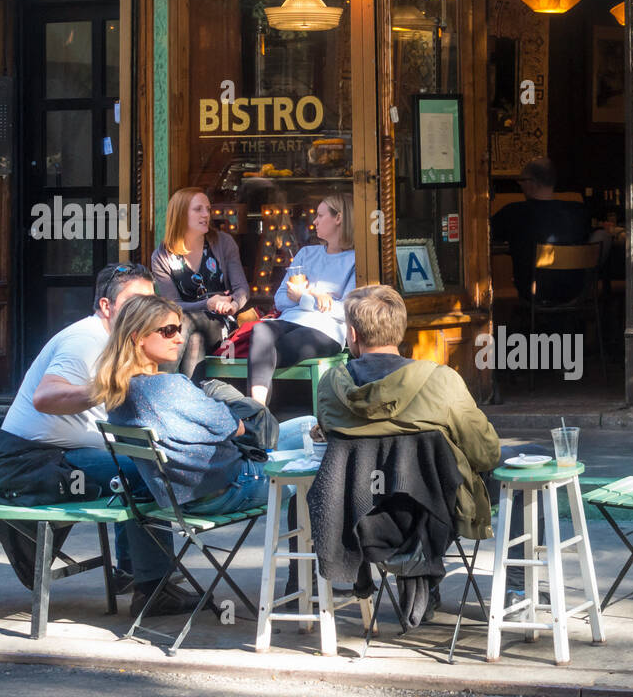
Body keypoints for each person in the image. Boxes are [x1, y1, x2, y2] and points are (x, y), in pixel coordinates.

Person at [316, 285, 548, 603]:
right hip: (436, 510)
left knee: (432, 472)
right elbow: (486, 453)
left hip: (362, 511)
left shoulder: (330, 385)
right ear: (400, 330)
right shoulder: (439, 379)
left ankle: (429, 580)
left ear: (353, 335)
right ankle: (519, 590)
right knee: (532, 461)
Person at [0, 263, 172, 603]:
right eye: (135, 301)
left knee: (141, 461)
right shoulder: (87, 340)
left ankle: (132, 571)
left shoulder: (120, 340)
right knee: (147, 471)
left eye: (151, 300)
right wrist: (107, 388)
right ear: (106, 306)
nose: (147, 309)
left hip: (56, 455)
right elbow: (46, 397)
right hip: (30, 463)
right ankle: (156, 590)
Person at [92, 294, 276, 616]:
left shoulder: (117, 393)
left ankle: (152, 589)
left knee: (297, 431)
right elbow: (236, 428)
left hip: (172, 495)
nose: (179, 336)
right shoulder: (169, 386)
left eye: (178, 328)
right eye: (167, 331)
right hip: (225, 490)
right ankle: (307, 588)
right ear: (137, 337)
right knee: (309, 465)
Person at [248, 192, 357, 406]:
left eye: (320, 215)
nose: (314, 221)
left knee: (270, 352)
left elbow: (345, 310)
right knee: (260, 331)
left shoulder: (355, 260)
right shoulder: (306, 254)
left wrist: (303, 297)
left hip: (326, 330)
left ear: (339, 218)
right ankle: (257, 409)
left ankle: (256, 414)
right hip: (290, 320)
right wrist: (316, 296)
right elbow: (280, 300)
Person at [150, 187, 249, 381]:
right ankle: (192, 401)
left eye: (208, 209)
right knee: (194, 337)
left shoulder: (223, 242)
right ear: (180, 214)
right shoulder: (162, 255)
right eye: (198, 209)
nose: (206, 215)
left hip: (220, 324)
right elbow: (172, 304)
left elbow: (242, 289)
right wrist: (207, 303)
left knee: (185, 321)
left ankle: (158, 388)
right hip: (184, 326)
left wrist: (233, 305)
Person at [489, 157, 593, 303]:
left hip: (534, 294)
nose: (520, 185)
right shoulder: (577, 211)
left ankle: (505, 327)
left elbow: (485, 235)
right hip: (574, 293)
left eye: (522, 181)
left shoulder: (513, 212)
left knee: (503, 323)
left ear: (532, 182)